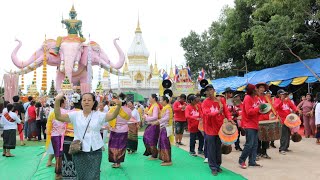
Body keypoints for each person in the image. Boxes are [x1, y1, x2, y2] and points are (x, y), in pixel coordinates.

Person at [54, 92, 122, 179]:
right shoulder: (75, 115)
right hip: (79, 151)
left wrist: (118, 106)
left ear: (93, 102)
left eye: (89, 100)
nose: (86, 102)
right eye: (84, 100)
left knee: (94, 176)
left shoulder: (98, 115)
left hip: (95, 150)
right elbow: (58, 116)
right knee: (81, 176)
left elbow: (112, 116)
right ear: (81, 102)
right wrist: (57, 100)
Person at [202, 84, 233, 176]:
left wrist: (230, 118)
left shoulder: (221, 100)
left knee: (218, 148)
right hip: (210, 128)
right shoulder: (205, 102)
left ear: (214, 90)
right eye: (208, 90)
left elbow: (226, 111)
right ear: (206, 92)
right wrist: (217, 112)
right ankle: (213, 167)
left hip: (219, 127)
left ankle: (218, 165)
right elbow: (206, 113)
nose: (210, 91)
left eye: (211, 89)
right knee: (211, 148)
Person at [238, 84, 262, 169]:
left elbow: (257, 111)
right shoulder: (247, 98)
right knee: (249, 144)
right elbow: (249, 112)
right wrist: (258, 108)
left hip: (255, 124)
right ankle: (241, 160)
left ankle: (252, 162)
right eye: (255, 89)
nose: (257, 90)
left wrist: (262, 109)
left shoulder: (256, 98)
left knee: (255, 144)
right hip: (248, 124)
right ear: (252, 90)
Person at [46, 97, 67, 179]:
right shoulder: (65, 112)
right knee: (59, 155)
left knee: (57, 154)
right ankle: (58, 174)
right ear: (62, 103)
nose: (66, 104)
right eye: (65, 102)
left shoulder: (52, 112)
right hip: (61, 135)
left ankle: (59, 171)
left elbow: (48, 125)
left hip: (54, 135)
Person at [108, 93, 131, 168]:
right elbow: (128, 119)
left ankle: (115, 161)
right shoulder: (128, 110)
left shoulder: (113, 109)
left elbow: (109, 118)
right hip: (124, 130)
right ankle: (119, 162)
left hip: (114, 129)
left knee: (113, 146)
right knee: (121, 146)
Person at [274, 89, 300, 155]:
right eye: (283, 94)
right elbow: (275, 108)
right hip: (282, 120)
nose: (285, 95)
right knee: (283, 134)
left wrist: (297, 110)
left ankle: (286, 147)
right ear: (279, 95)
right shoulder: (277, 100)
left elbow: (293, 106)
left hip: (288, 120)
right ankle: (281, 149)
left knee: (288, 134)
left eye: (285, 94)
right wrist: (281, 101)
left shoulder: (287, 100)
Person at [151, 94, 173, 166]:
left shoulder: (168, 108)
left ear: (165, 101)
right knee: (163, 143)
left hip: (166, 128)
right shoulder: (165, 108)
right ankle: (165, 158)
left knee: (165, 143)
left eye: (161, 100)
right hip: (163, 127)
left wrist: (158, 121)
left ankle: (167, 160)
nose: (160, 101)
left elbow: (166, 118)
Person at [143, 94, 160, 160]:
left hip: (154, 125)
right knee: (146, 138)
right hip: (151, 124)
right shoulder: (152, 106)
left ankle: (154, 155)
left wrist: (146, 117)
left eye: (150, 98)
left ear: (154, 99)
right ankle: (152, 153)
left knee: (151, 139)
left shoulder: (155, 106)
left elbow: (155, 117)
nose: (149, 99)